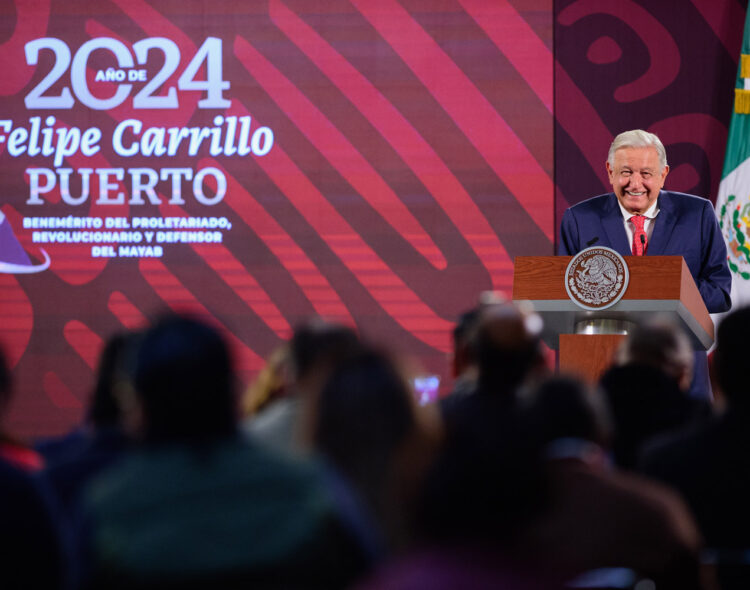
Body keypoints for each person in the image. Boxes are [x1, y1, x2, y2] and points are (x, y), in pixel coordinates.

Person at [558, 129, 732, 396]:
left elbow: (720, 292)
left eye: (646, 174)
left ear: (663, 174)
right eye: (626, 172)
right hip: (604, 372)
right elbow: (561, 296)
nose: (635, 183)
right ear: (609, 171)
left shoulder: (697, 215)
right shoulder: (580, 219)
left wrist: (664, 287)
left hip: (679, 370)